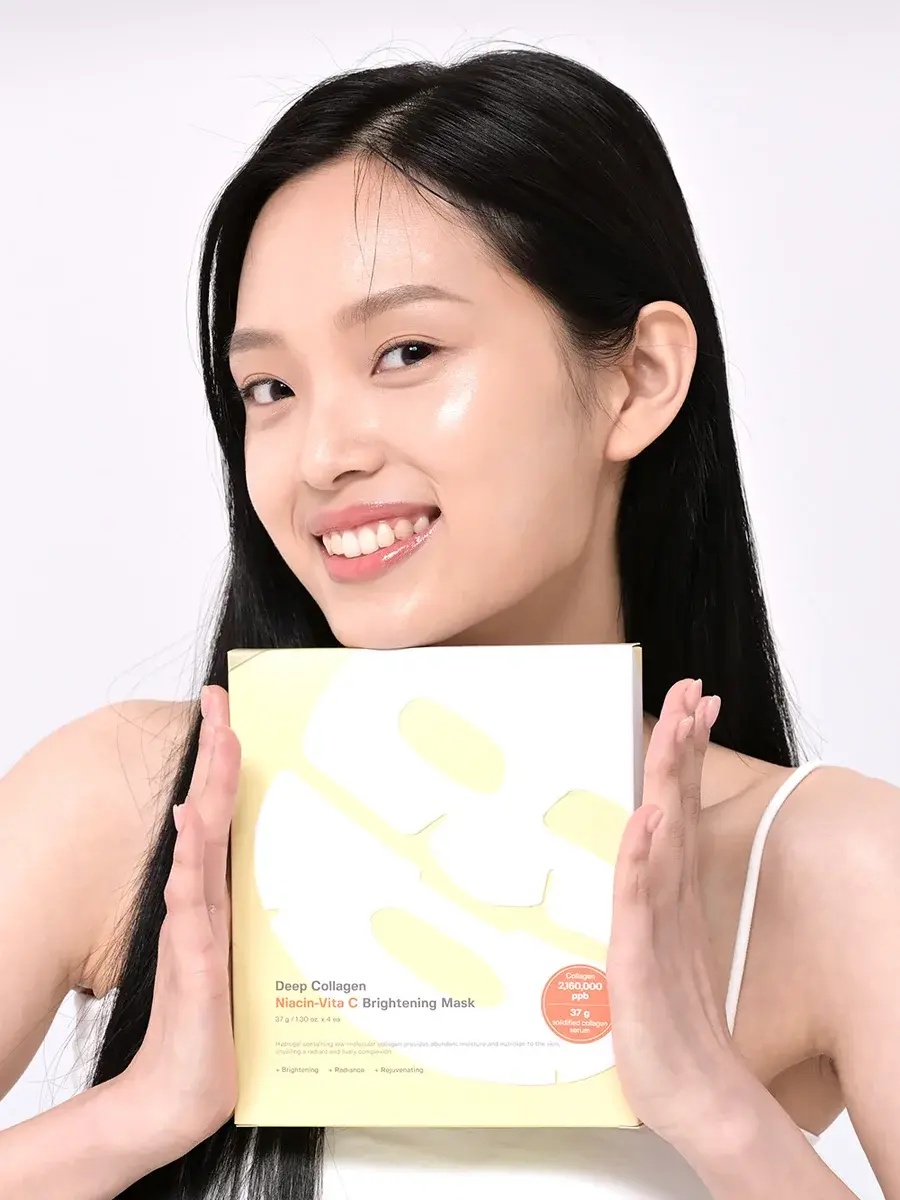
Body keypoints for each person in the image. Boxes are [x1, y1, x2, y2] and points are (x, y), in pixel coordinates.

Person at [0, 44, 897, 1200]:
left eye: (406, 353)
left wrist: (715, 1111)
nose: (322, 455)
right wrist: (140, 1116)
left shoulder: (831, 869)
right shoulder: (126, 804)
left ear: (638, 377)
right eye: (271, 388)